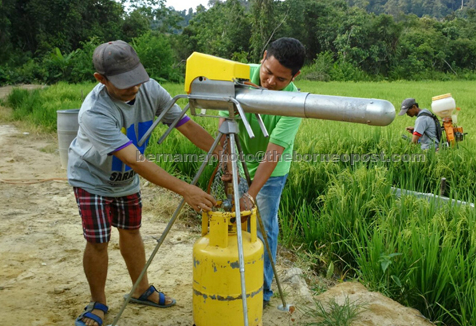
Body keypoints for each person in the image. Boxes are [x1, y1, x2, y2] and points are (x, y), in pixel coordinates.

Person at [69, 40, 217, 326]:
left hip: (125, 181)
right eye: (125, 83)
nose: (134, 87)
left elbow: (183, 124)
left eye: (137, 79)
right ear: (101, 79)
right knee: (99, 240)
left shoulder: (151, 89)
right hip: (92, 179)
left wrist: (222, 153)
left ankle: (140, 289)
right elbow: (135, 160)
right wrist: (186, 190)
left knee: (131, 230)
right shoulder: (95, 112)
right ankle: (98, 302)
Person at [219, 37, 306, 308]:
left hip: (272, 170)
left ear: (294, 76)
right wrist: (227, 165)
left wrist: (251, 194)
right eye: (267, 72)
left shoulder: (295, 102)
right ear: (263, 56)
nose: (270, 82)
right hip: (240, 158)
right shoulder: (237, 77)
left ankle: (262, 292)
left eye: (280, 79)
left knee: (263, 228)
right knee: (235, 224)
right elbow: (224, 122)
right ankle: (234, 280)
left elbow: (274, 151)